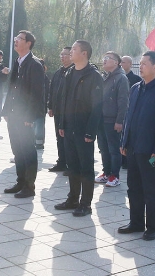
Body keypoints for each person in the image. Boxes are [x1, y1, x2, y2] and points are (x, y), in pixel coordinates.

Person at [118, 51, 155, 241]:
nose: (140, 66)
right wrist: (124, 141)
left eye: (144, 63)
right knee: (133, 187)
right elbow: (128, 117)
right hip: (133, 148)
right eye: (140, 63)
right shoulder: (135, 88)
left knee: (151, 189)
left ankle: (153, 227)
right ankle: (136, 222)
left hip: (150, 151)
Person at [53, 40, 103, 216]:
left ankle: (85, 204)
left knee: (86, 168)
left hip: (84, 130)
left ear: (84, 53)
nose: (70, 52)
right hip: (68, 128)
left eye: (74, 49)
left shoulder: (94, 76)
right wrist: (61, 124)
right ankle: (73, 199)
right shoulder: (69, 72)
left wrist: (91, 131)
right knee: (72, 166)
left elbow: (97, 107)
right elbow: (64, 100)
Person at [2, 30, 46, 198]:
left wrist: (29, 116)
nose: (16, 41)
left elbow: (36, 93)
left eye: (20, 39)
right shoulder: (18, 61)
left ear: (28, 43)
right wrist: (6, 110)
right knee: (17, 150)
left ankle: (29, 186)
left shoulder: (35, 64)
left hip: (25, 116)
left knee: (28, 150)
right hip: (14, 114)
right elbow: (11, 88)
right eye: (16, 38)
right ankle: (20, 182)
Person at [96, 51, 129, 187]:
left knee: (114, 149)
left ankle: (115, 176)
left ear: (116, 62)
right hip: (101, 119)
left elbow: (123, 102)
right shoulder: (105, 76)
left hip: (112, 120)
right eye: (104, 57)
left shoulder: (121, 78)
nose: (104, 60)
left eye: (107, 58)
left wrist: (119, 121)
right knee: (103, 148)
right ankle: (106, 172)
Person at [47, 47, 72, 173]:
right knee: (59, 137)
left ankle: (70, 164)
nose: (62, 57)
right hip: (58, 111)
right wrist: (50, 106)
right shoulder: (58, 72)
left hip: (69, 112)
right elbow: (52, 90)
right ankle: (61, 162)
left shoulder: (73, 72)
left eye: (65, 54)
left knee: (68, 139)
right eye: (61, 54)